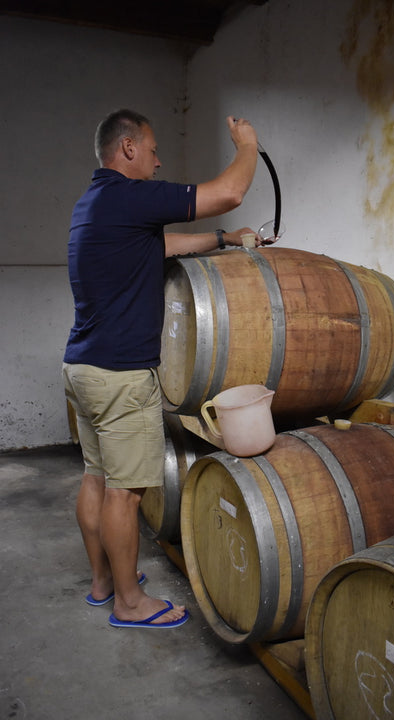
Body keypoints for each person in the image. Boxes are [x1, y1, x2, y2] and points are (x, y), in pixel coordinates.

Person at [63, 108, 260, 628]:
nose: (158, 160)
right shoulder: (131, 195)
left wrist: (222, 240)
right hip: (122, 376)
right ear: (127, 149)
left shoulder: (94, 205)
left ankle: (104, 584)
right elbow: (228, 193)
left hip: (82, 367)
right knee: (124, 494)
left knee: (96, 479)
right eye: (152, 149)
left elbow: (164, 246)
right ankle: (130, 604)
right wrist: (247, 145)